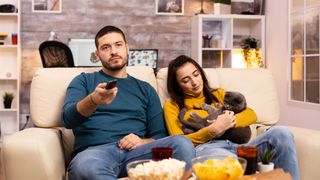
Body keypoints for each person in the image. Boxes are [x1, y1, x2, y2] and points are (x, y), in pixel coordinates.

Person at [61, 26, 195, 180]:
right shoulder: (83, 81)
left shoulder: (145, 89)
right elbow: (68, 120)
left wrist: (142, 141)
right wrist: (94, 100)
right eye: (106, 47)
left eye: (118, 45)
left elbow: (159, 135)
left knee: (182, 144)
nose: (113, 51)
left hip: (139, 153)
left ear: (127, 48)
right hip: (95, 154)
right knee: (86, 167)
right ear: (97, 54)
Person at [164, 55, 300, 180]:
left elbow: (251, 114)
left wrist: (229, 123)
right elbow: (179, 141)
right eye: (186, 80)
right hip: (207, 150)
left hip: (239, 146)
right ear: (178, 86)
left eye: (196, 74)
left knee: (282, 133)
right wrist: (212, 130)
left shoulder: (218, 94)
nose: (194, 82)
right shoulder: (172, 106)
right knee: (232, 164)